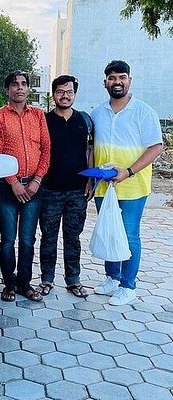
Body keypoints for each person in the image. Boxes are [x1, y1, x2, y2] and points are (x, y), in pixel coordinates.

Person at [91, 60, 163, 306]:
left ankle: (128, 285)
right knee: (109, 231)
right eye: (112, 78)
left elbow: (156, 147)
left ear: (129, 80)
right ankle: (112, 277)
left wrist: (129, 171)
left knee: (129, 234)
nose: (117, 82)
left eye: (121, 77)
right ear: (105, 83)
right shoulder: (97, 113)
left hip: (132, 186)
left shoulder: (144, 112)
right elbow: (92, 147)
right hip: (104, 186)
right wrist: (90, 180)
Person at [0, 70, 51, 302]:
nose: (20, 88)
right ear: (7, 89)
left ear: (28, 89)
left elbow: (45, 150)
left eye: (24, 84)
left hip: (34, 188)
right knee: (7, 240)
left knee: (27, 239)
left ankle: (25, 284)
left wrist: (36, 181)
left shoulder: (38, 116)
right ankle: (8, 284)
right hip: (8, 189)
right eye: (14, 84)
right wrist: (13, 182)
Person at [38, 75, 94, 298]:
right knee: (48, 237)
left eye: (69, 91)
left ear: (75, 94)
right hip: (50, 189)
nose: (65, 95)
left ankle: (73, 280)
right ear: (53, 95)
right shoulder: (43, 120)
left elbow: (90, 150)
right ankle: (46, 279)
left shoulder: (84, 120)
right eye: (60, 91)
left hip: (77, 191)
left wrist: (90, 179)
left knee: (73, 237)